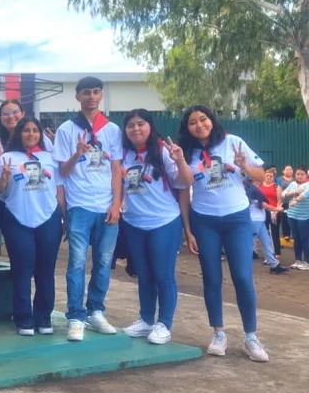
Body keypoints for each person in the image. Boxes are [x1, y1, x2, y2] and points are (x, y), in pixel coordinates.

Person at [178, 104, 269, 362]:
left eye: (203, 119)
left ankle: (251, 337)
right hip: (204, 221)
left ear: (212, 120)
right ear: (187, 128)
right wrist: (187, 230)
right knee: (212, 278)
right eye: (192, 122)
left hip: (237, 218)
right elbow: (183, 189)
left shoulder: (233, 142)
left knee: (242, 277)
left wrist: (244, 166)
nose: (199, 125)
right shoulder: (187, 153)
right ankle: (219, 333)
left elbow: (260, 176)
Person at [53, 76, 122, 342]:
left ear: (101, 95)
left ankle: (95, 311)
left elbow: (116, 169)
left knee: (104, 262)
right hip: (80, 205)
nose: (91, 97)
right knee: (77, 262)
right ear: (77, 96)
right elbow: (62, 171)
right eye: (86, 93)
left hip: (107, 206)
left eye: (96, 92)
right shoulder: (66, 130)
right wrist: (78, 154)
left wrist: (116, 203)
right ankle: (75, 316)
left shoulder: (112, 130)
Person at [118, 109, 193, 345]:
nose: (136, 129)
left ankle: (165, 324)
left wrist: (179, 159)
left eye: (141, 124)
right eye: (131, 125)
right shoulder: (122, 154)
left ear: (150, 127)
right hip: (133, 222)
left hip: (164, 221)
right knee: (144, 275)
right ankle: (146, 319)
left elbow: (186, 181)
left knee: (163, 274)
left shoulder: (163, 150)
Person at [0, 117, 65, 336]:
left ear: (40, 134)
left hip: (48, 218)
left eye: (35, 130)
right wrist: (3, 178)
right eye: (26, 130)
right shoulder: (6, 158)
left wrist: (65, 216)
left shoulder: (50, 158)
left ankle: (43, 317)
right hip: (17, 218)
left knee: (46, 270)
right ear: (18, 133)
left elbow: (59, 188)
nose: (31, 134)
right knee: (22, 269)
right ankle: (24, 318)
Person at [245, 179, 288, 274]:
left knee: (267, 242)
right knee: (249, 244)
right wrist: (278, 209)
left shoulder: (251, 190)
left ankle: (274, 265)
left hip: (259, 221)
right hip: (255, 221)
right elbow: (265, 206)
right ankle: (243, 266)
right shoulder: (253, 191)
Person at [283, 166, 309, 270]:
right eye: (298, 174)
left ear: (306, 175)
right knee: (296, 238)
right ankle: (297, 260)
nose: (299, 176)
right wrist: (294, 192)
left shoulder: (307, 185)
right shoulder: (293, 184)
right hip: (291, 215)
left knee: (305, 238)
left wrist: (296, 200)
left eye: (302, 174)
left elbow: (305, 195)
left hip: (304, 216)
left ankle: (307, 261)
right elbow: (283, 194)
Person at [259, 166, 282, 258]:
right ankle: (268, 253)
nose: (268, 178)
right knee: (265, 233)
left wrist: (275, 211)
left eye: (270, 176)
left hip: (273, 212)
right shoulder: (260, 185)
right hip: (262, 211)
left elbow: (279, 200)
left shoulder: (276, 186)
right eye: (267, 175)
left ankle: (275, 253)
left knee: (274, 233)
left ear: (274, 177)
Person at [279, 165, 295, 240]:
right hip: (284, 202)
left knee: (293, 218)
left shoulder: (295, 179)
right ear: (283, 171)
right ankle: (286, 234)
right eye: (287, 169)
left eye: (290, 169)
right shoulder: (279, 179)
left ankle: (294, 234)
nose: (289, 171)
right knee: (284, 219)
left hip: (294, 202)